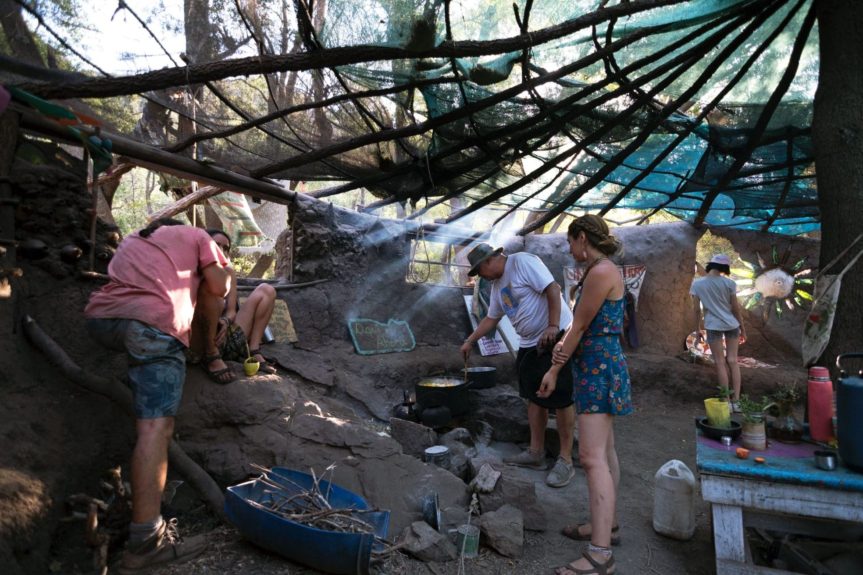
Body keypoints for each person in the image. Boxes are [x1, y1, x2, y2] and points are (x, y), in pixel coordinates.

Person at [84, 218, 231, 573]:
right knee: (155, 429)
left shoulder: (135, 237)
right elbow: (219, 288)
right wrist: (223, 268)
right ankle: (146, 544)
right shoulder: (197, 236)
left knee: (144, 369)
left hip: (103, 318)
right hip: (153, 326)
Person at [539, 215, 632, 575]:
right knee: (605, 452)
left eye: (569, 243)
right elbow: (578, 328)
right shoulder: (602, 270)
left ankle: (600, 555)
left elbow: (577, 328)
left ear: (581, 238)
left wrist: (553, 370)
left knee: (592, 458)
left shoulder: (601, 272)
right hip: (596, 365)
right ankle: (607, 526)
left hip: (598, 368)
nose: (569, 250)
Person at [460, 243, 577, 488]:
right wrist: (470, 341)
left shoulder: (522, 262)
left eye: (479, 270)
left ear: (491, 260)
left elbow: (553, 289)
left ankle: (565, 460)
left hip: (556, 335)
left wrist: (553, 326)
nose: (479, 276)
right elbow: (492, 318)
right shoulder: (495, 286)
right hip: (529, 342)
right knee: (533, 396)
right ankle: (536, 452)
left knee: (561, 397)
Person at [189, 229, 278, 382]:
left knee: (267, 290)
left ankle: (254, 348)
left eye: (225, 248)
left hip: (225, 338)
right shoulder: (190, 271)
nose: (221, 250)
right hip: (201, 340)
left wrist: (225, 321)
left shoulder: (228, 273)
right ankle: (211, 357)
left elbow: (231, 311)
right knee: (211, 291)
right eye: (216, 245)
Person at [690, 253, 746, 412]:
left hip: (712, 326)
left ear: (710, 265)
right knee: (733, 361)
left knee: (720, 362)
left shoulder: (697, 284)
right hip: (732, 325)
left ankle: (726, 401)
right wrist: (743, 328)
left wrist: (696, 330)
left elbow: (696, 310)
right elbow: (736, 309)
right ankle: (737, 402)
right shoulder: (729, 283)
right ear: (725, 268)